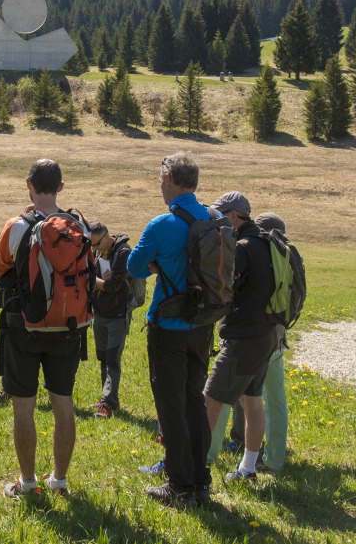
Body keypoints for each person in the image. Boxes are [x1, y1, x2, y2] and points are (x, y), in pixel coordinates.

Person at [0, 159, 86, 497]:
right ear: (61, 186)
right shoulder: (80, 225)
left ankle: (28, 483)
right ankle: (58, 481)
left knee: (24, 406)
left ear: (27, 183)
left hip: (25, 327)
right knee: (63, 404)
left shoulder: (16, 225)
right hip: (69, 326)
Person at [127, 152, 214, 507]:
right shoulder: (212, 216)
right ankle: (200, 480)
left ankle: (179, 485)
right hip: (203, 323)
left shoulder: (163, 224)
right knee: (194, 401)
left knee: (170, 406)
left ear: (170, 179)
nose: (159, 183)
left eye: (161, 177)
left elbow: (134, 266)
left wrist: (156, 263)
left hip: (169, 324)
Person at [200, 192, 282, 484]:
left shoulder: (243, 247)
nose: (217, 219)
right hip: (267, 334)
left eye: (221, 213)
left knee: (209, 400)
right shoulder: (267, 242)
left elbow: (225, 287)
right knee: (252, 400)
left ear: (234, 215)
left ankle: (193, 468)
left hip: (244, 338)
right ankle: (247, 469)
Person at [254, 211, 291, 475]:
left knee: (222, 397)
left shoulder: (256, 255)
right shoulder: (289, 257)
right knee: (276, 402)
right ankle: (275, 460)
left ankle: (208, 453)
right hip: (277, 338)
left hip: (250, 338)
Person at [88, 220, 135, 419]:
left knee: (112, 360)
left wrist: (91, 281)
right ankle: (107, 399)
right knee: (103, 359)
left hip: (116, 315)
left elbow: (114, 285)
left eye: (96, 244)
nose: (94, 249)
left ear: (106, 236)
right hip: (100, 314)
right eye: (91, 245)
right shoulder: (100, 252)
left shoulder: (123, 252)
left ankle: (107, 403)